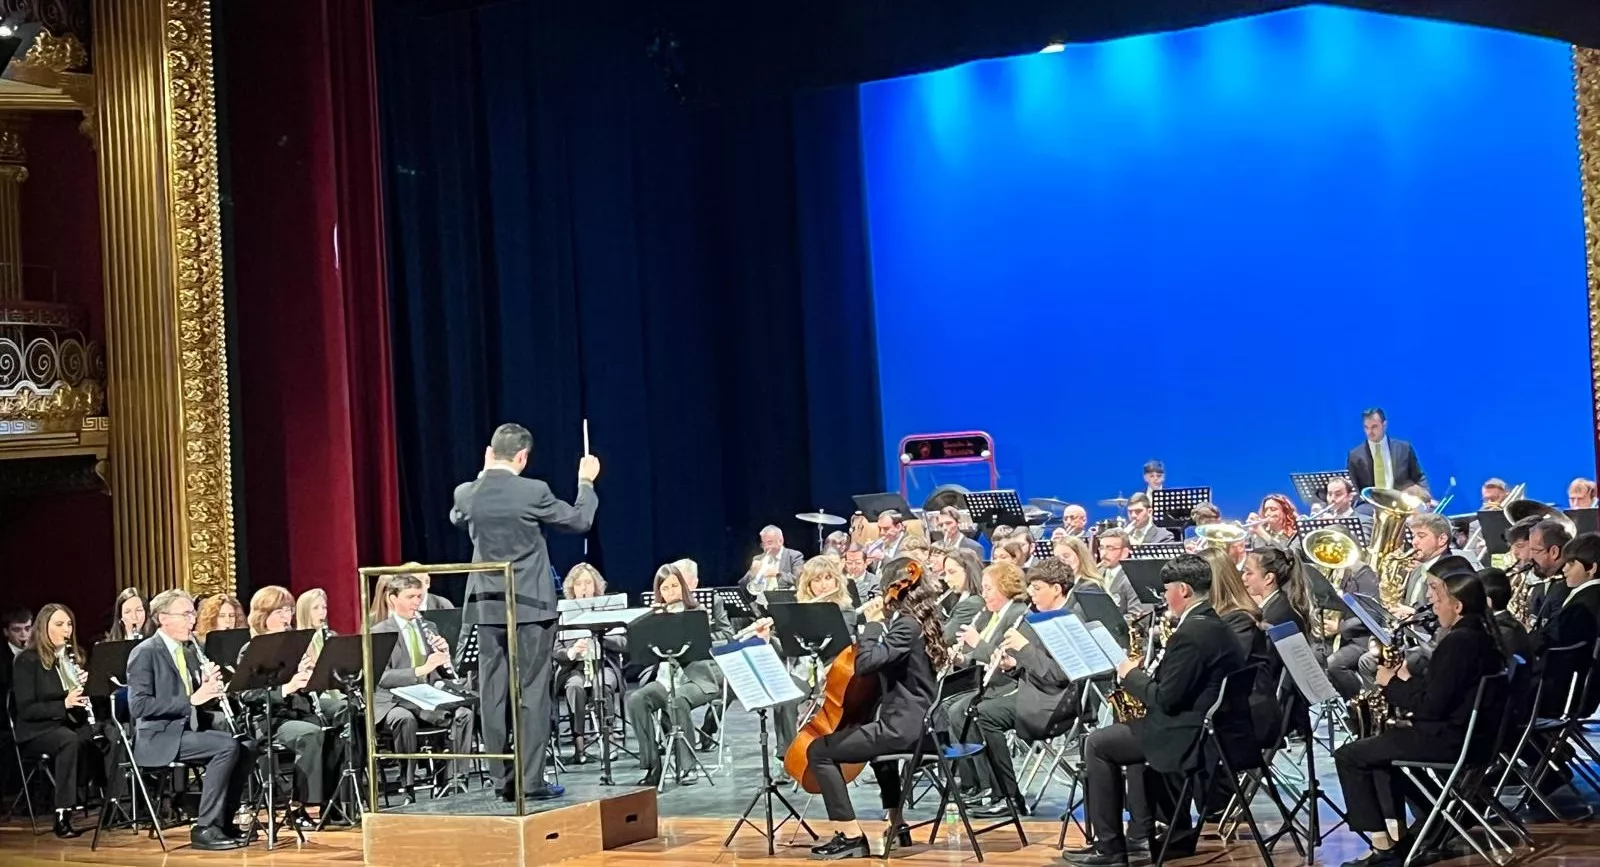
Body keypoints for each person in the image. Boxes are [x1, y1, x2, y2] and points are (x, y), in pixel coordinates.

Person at [1066, 554, 1252, 866]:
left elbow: (1165, 699)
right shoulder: (1213, 624)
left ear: (1184, 590)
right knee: (1124, 741)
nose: (1163, 597)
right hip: (1210, 728)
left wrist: (1130, 674)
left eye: (1166, 590)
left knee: (1097, 743)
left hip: (1188, 735)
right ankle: (1140, 834)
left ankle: (1109, 849)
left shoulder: (1191, 634)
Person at [451, 422, 598, 801]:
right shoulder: (534, 490)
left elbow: (457, 516)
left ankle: (502, 779)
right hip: (530, 606)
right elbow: (579, 521)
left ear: (489, 452)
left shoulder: (468, 492)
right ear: (522, 457)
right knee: (533, 693)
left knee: (492, 691)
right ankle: (531, 781)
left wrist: (484, 475)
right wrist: (586, 482)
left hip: (486, 608)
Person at [1333, 573, 1507, 867]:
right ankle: (1417, 828)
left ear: (1458, 606)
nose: (1432, 604)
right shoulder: (1481, 635)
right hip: (1472, 738)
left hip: (1450, 740)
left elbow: (1430, 707)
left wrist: (1390, 684)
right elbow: (1440, 691)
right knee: (1378, 752)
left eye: (1437, 597)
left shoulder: (1459, 643)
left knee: (1350, 755)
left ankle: (1383, 844)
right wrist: (1407, 678)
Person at [805, 558, 946, 860]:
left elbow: (866, 662)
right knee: (880, 759)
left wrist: (871, 624)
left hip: (906, 730)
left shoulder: (907, 626)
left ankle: (851, 835)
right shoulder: (927, 620)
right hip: (926, 726)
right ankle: (898, 823)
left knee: (819, 751)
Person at [126, 589, 252, 851]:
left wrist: (209, 688)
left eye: (192, 614)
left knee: (246, 745)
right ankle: (205, 826)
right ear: (163, 618)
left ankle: (224, 822)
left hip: (187, 729)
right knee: (226, 746)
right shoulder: (145, 652)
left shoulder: (189, 651)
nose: (192, 620)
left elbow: (195, 698)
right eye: (185, 614)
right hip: (159, 736)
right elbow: (138, 706)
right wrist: (193, 699)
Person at [236, 586, 335, 828]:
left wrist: (310, 676)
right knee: (309, 735)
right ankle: (298, 807)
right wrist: (287, 688)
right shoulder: (252, 649)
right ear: (263, 616)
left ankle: (333, 805)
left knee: (336, 731)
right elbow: (248, 695)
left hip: (296, 713)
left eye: (288, 610)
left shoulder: (294, 646)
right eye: (279, 611)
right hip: (267, 720)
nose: (286, 616)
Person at [372, 575, 477, 802]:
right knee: (404, 719)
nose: (416, 602)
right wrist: (421, 670)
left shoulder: (428, 626)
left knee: (463, 714)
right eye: (410, 597)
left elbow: (444, 674)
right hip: (393, 699)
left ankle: (456, 780)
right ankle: (406, 785)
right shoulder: (379, 631)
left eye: (419, 596)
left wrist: (445, 658)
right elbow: (381, 677)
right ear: (392, 599)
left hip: (424, 696)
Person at [10, 604, 110, 837]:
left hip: (68, 724)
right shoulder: (28, 660)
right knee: (69, 741)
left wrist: (87, 685)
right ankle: (62, 814)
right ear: (44, 628)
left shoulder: (73, 657)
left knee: (108, 735)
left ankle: (112, 804)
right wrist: (64, 704)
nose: (66, 630)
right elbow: (26, 709)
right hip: (36, 730)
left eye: (69, 624)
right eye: (59, 624)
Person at [627, 563, 727, 786]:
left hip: (698, 680)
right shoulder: (653, 617)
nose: (671, 592)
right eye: (665, 588)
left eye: (675, 586)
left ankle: (688, 767)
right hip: (665, 679)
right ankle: (653, 766)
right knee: (636, 699)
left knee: (677, 700)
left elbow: (722, 639)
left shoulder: (697, 613)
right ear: (659, 592)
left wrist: (704, 634)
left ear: (683, 586)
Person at [556, 563, 624, 763]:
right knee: (575, 687)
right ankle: (580, 744)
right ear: (572, 588)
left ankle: (609, 739)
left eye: (588, 583)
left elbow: (624, 642)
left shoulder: (608, 609)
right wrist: (571, 651)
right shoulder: (564, 612)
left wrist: (601, 637)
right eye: (579, 584)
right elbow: (554, 650)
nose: (584, 588)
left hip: (603, 664)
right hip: (574, 668)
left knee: (601, 685)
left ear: (596, 586)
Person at [1346, 407, 1428, 496]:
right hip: (1371, 504)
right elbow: (1355, 488)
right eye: (1366, 427)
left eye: (1374, 427)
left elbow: (1419, 477)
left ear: (1384, 425)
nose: (1370, 432)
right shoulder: (1355, 456)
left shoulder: (1404, 449)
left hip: (1401, 500)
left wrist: (1425, 496)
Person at [741, 525, 804, 593]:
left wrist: (777, 574)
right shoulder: (758, 558)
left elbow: (800, 580)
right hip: (760, 600)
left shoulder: (794, 556)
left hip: (783, 600)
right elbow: (741, 585)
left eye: (770, 542)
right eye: (764, 544)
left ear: (780, 541)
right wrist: (752, 572)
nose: (766, 547)